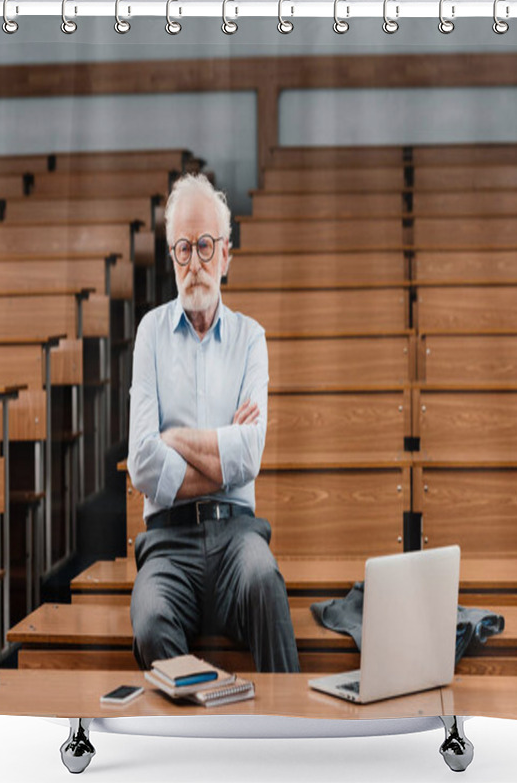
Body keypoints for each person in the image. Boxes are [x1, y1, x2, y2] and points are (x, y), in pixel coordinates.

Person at [127, 173, 300, 673]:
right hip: (166, 546)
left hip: (238, 538)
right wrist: (223, 453)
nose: (195, 263)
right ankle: (202, 739)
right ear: (172, 258)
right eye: (183, 249)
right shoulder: (150, 334)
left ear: (226, 254)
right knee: (150, 621)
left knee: (266, 584)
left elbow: (250, 457)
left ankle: (292, 737)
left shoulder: (251, 339)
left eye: (205, 246)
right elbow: (142, 462)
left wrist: (175, 440)